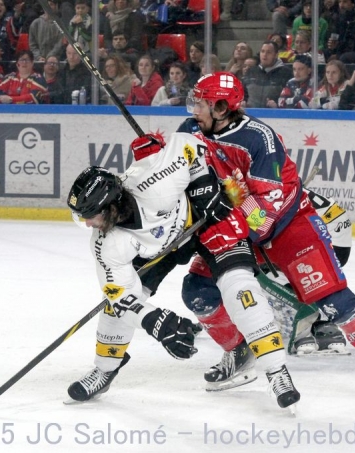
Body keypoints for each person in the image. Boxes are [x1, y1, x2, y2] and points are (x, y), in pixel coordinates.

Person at [177, 72, 355, 402]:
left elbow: (263, 218)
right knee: (197, 291)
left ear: (220, 108)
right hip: (236, 227)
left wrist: (230, 200)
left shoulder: (260, 140)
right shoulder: (190, 132)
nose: (193, 110)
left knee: (335, 302)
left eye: (199, 103)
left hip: (289, 227)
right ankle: (238, 352)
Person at [66, 132, 300, 410]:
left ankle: (276, 371)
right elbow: (119, 293)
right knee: (114, 311)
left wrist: (202, 186)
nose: (88, 224)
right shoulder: (108, 243)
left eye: (89, 215)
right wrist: (151, 318)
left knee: (240, 289)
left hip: (203, 222)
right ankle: (104, 371)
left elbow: (190, 144)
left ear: (110, 205)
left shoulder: (155, 180)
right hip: (159, 249)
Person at [242, 41, 291, 108]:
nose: (264, 55)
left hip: (275, 116)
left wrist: (278, 105)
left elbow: (290, 99)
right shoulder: (251, 71)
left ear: (276, 55)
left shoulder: (286, 73)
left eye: (269, 52)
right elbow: (243, 93)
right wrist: (243, 102)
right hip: (251, 114)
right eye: (262, 51)